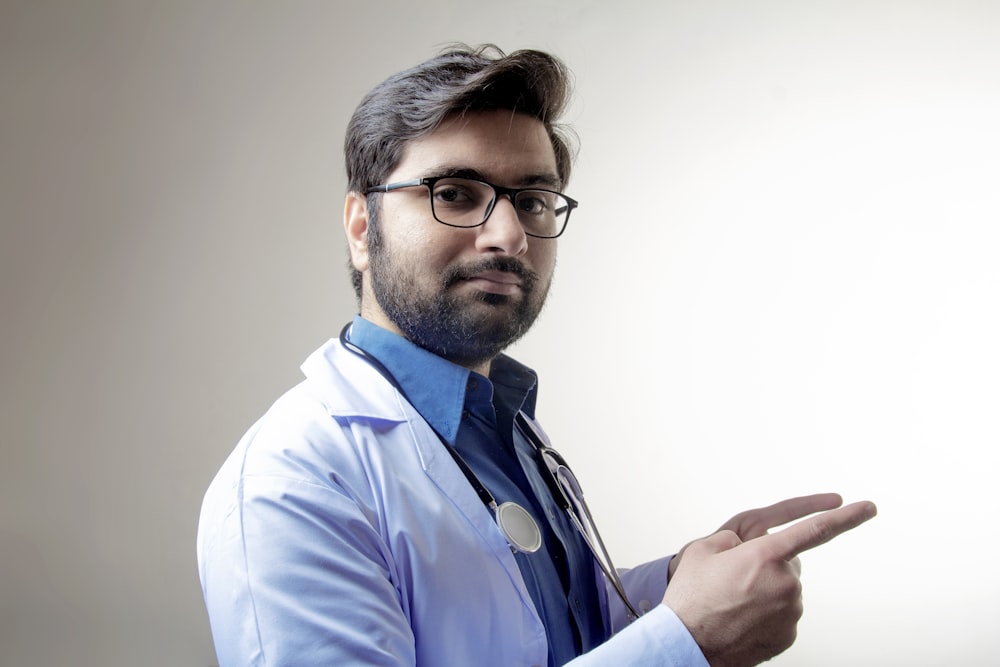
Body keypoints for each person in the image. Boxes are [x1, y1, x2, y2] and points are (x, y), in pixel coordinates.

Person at [196, 44, 876, 667]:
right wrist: (684, 640)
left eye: (532, 199)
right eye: (456, 193)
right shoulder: (296, 481)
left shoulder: (502, 423)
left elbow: (537, 632)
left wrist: (680, 586)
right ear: (359, 227)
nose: (508, 234)